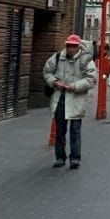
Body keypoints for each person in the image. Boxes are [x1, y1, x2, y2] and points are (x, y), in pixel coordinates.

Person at [44, 34, 98, 170]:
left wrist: (74, 86)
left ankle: (75, 158)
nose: (70, 49)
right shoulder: (57, 57)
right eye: (68, 46)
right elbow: (47, 71)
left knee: (75, 130)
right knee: (60, 131)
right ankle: (60, 157)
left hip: (76, 99)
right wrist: (54, 82)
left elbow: (91, 79)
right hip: (60, 97)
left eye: (73, 46)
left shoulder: (86, 60)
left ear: (78, 47)